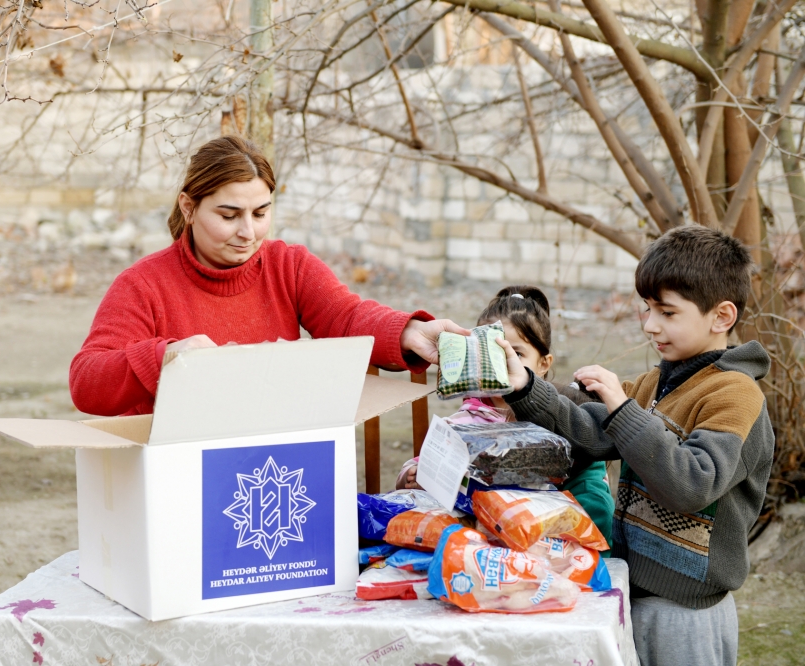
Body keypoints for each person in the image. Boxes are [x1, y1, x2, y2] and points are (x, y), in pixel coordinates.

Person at [496, 227, 773, 666]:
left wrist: (624, 409)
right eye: (647, 309)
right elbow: (593, 426)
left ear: (721, 317)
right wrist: (527, 386)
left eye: (666, 312)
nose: (649, 325)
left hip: (686, 612)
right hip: (632, 592)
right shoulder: (657, 383)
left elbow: (693, 482)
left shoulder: (735, 396)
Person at [69, 136, 469, 416]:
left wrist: (407, 331)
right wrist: (166, 356)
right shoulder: (144, 285)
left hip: (272, 458)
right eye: (229, 216)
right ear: (188, 208)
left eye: (260, 213)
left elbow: (345, 317)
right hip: (178, 470)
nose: (249, 233)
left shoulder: (287, 265)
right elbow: (87, 381)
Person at [395, 285, 615, 548]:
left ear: (544, 364)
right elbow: (430, 461)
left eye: (517, 353)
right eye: (492, 353)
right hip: (489, 536)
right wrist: (413, 474)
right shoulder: (470, 417)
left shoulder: (559, 415)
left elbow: (590, 479)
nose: (503, 364)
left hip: (551, 536)